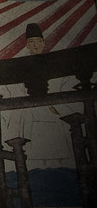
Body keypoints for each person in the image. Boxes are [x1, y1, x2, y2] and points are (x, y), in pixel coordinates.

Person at [13, 23, 75, 169]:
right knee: (33, 157)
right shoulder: (21, 64)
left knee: (59, 156)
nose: (35, 45)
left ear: (44, 43)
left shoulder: (53, 62)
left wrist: (58, 107)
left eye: (39, 41)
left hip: (52, 110)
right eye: (32, 42)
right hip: (31, 111)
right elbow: (16, 89)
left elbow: (62, 86)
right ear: (27, 45)